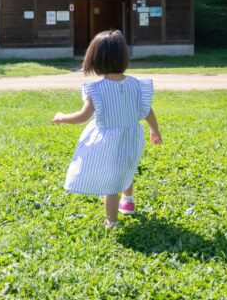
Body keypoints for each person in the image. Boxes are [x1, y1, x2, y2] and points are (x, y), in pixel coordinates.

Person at [53, 29, 163, 229]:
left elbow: (83, 116)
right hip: (131, 137)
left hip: (108, 141)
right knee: (126, 168)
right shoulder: (136, 85)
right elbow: (147, 111)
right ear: (124, 57)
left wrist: (62, 117)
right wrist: (155, 130)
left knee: (110, 183)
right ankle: (128, 201)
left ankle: (111, 222)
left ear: (96, 59)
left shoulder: (96, 89)